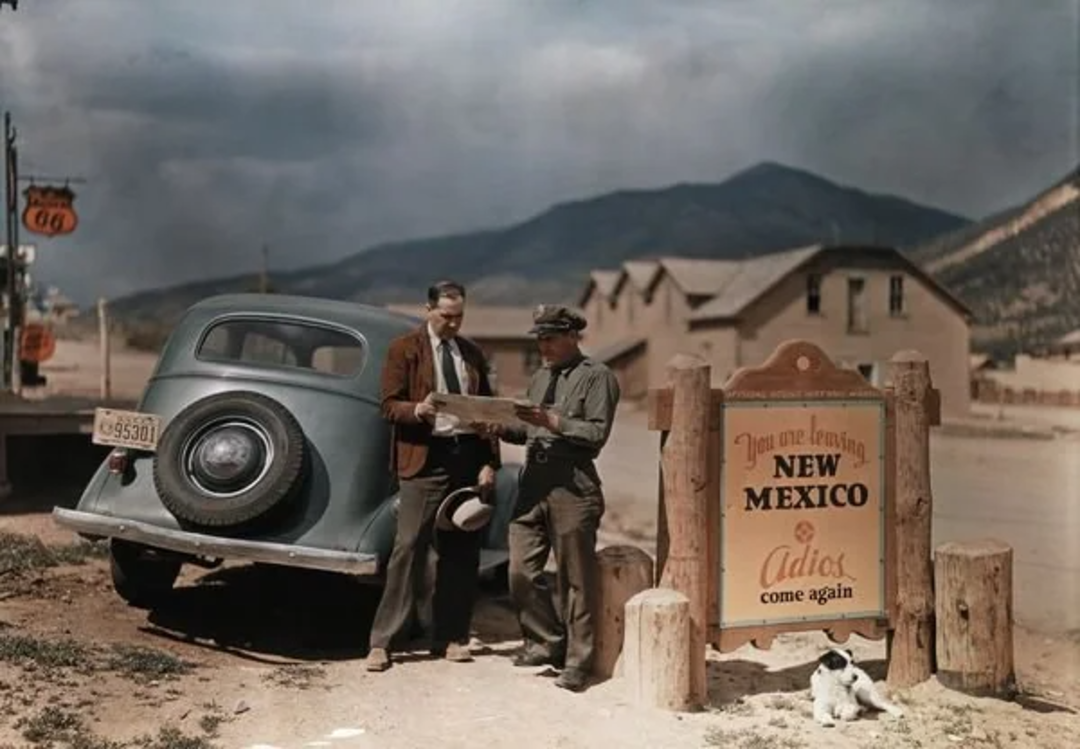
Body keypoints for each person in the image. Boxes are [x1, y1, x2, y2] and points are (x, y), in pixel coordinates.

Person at [365, 280, 501, 672]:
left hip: (466, 457)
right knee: (408, 548)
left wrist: (489, 462)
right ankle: (382, 642)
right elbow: (388, 406)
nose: (453, 325)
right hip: (424, 460)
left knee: (461, 552)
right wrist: (416, 411)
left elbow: (487, 414)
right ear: (428, 310)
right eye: (446, 317)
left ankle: (451, 636)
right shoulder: (403, 350)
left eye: (459, 317)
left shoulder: (472, 354)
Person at [485, 304, 621, 692]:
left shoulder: (598, 378)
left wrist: (553, 422)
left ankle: (579, 662)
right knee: (519, 572)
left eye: (549, 339)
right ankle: (546, 642)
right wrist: (496, 426)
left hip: (572, 489)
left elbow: (596, 434)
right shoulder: (541, 377)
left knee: (574, 579)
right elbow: (527, 431)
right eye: (539, 339)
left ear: (571, 336)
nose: (542, 347)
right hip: (534, 486)